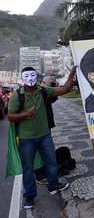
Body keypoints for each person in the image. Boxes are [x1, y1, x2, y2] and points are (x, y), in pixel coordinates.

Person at [8, 66, 76, 209]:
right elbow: (11, 116)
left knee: (51, 163)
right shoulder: (17, 95)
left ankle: (53, 185)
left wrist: (72, 73)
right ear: (22, 78)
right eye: (27, 76)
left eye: (33, 76)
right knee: (28, 168)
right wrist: (26, 114)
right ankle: (30, 197)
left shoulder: (43, 91)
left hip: (45, 136)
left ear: (37, 77)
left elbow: (64, 89)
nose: (30, 79)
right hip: (26, 139)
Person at [35, 76, 59, 185]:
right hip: (38, 128)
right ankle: (40, 175)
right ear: (42, 83)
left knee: (46, 151)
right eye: (50, 83)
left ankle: (45, 173)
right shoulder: (38, 93)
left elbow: (54, 97)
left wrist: (55, 85)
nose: (50, 86)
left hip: (46, 126)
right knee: (39, 152)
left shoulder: (46, 93)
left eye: (52, 84)